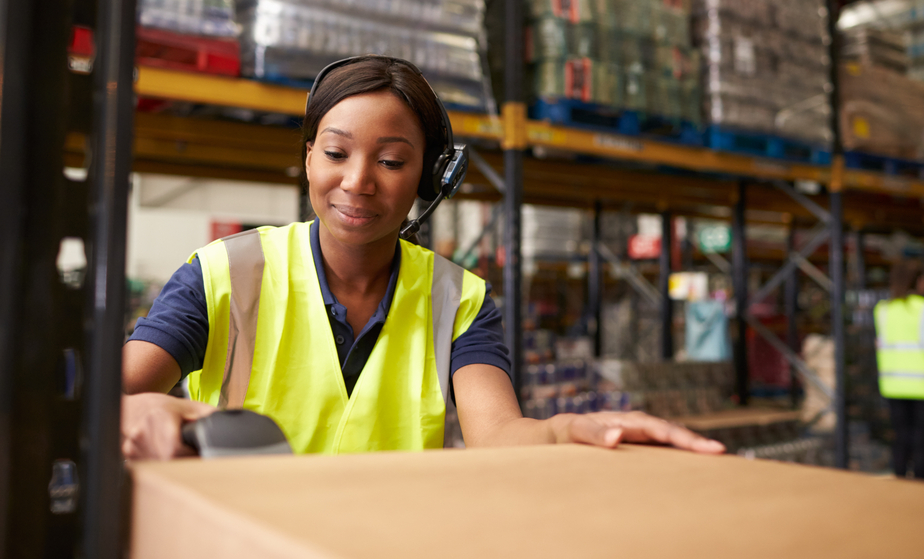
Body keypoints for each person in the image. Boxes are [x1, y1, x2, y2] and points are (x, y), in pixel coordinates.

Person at [121, 55, 726, 460]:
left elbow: (498, 434)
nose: (358, 182)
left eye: (390, 162)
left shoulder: (458, 301)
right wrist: (141, 406)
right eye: (335, 153)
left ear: (428, 181)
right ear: (308, 159)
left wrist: (570, 429)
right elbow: (111, 394)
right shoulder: (224, 273)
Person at [874, 260, 924, 480]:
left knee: (900, 435)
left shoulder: (883, 310)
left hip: (894, 385)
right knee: (921, 437)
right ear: (919, 281)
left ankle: (899, 479)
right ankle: (920, 482)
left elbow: (879, 343)